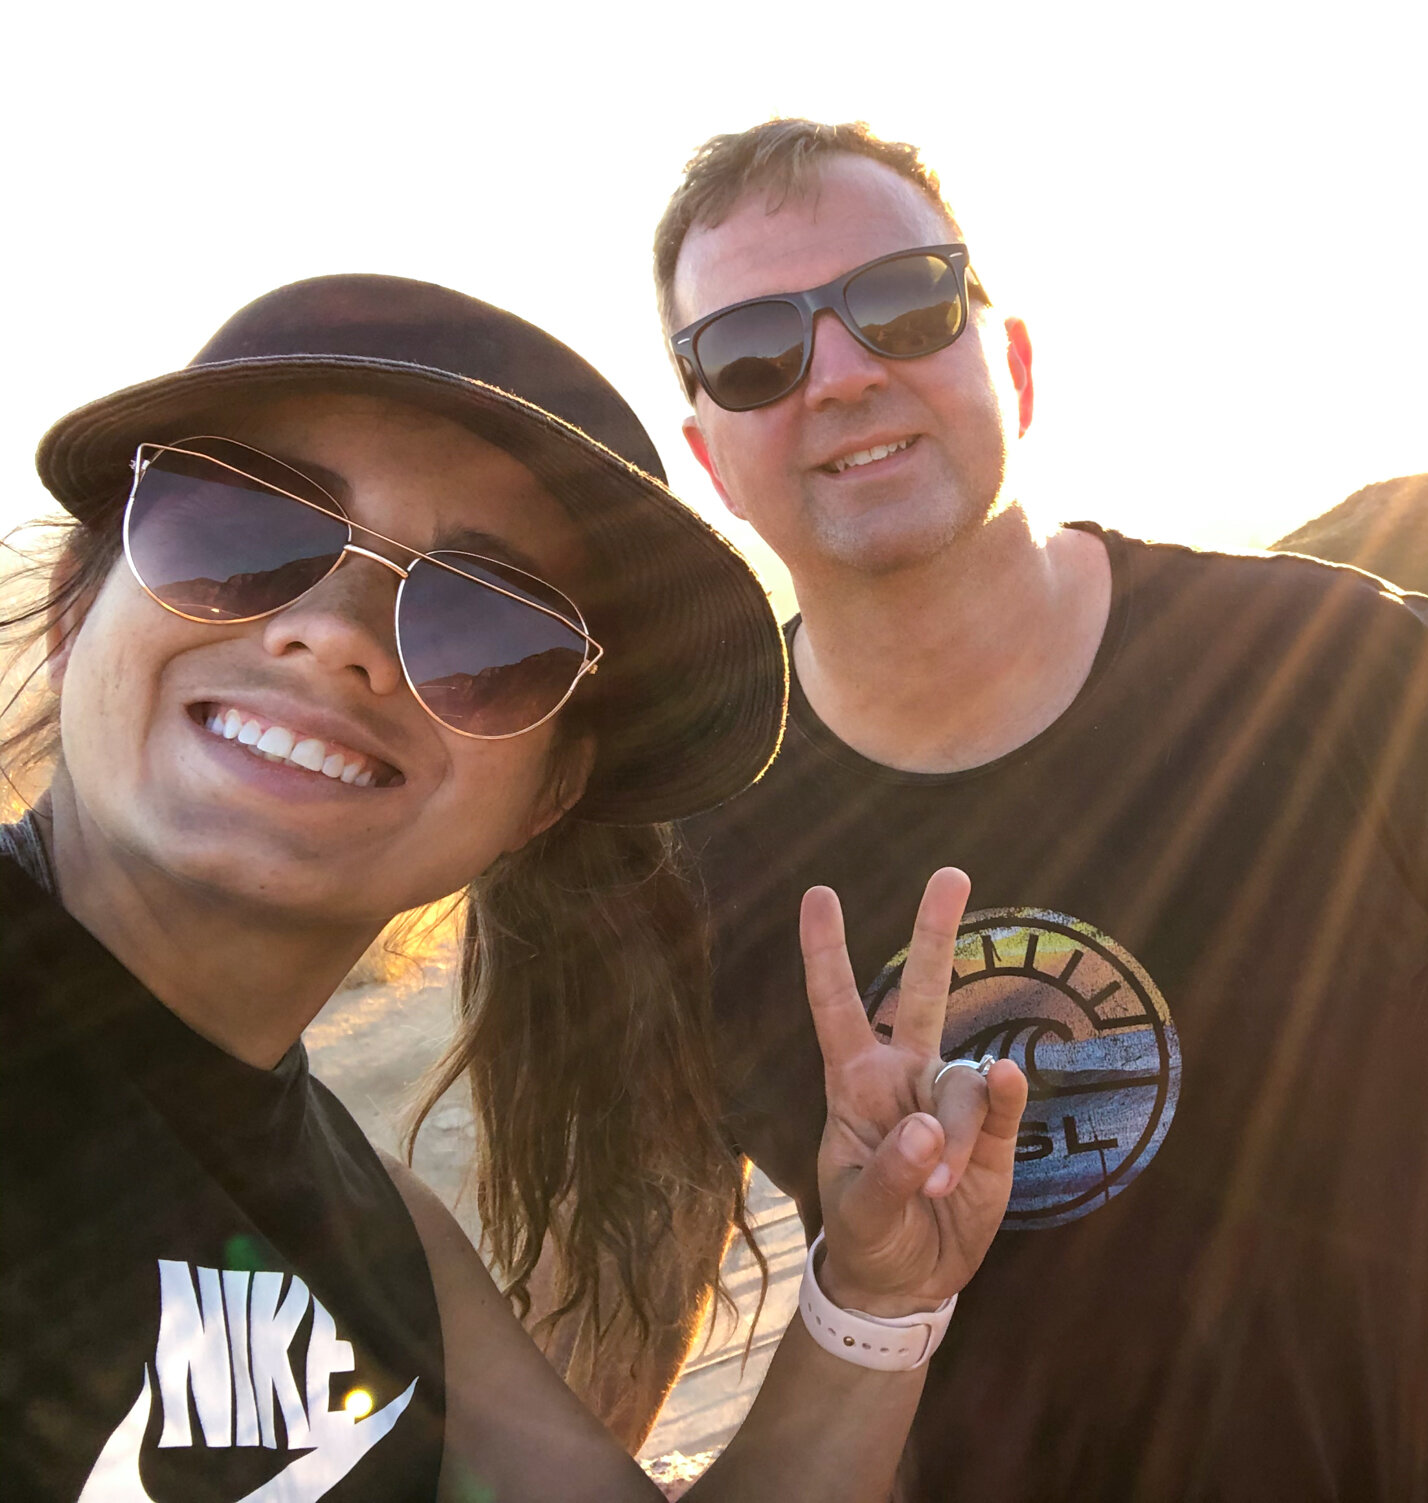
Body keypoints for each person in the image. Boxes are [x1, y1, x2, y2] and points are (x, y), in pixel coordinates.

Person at [650, 120, 1428, 1502]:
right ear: (709, 455)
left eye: (901, 302)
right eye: (753, 354)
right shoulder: (685, 848)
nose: (839, 373)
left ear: (1009, 361)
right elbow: (608, 1284)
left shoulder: (1329, 668)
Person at [0, 272, 1028, 1502]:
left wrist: (873, 1296)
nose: (335, 634)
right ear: (76, 609)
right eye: (236, 534)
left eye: (484, 632)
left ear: (542, 796)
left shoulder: (380, 1239)